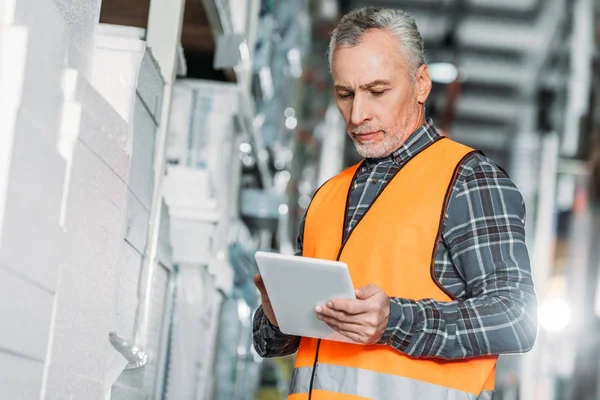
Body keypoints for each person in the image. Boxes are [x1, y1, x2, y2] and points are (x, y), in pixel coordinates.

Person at [252, 6, 538, 400]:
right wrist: (276, 313)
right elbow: (273, 345)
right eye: (345, 93)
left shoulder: (468, 180)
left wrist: (396, 321)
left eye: (377, 91)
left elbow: (516, 318)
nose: (358, 114)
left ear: (421, 83)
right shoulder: (328, 196)